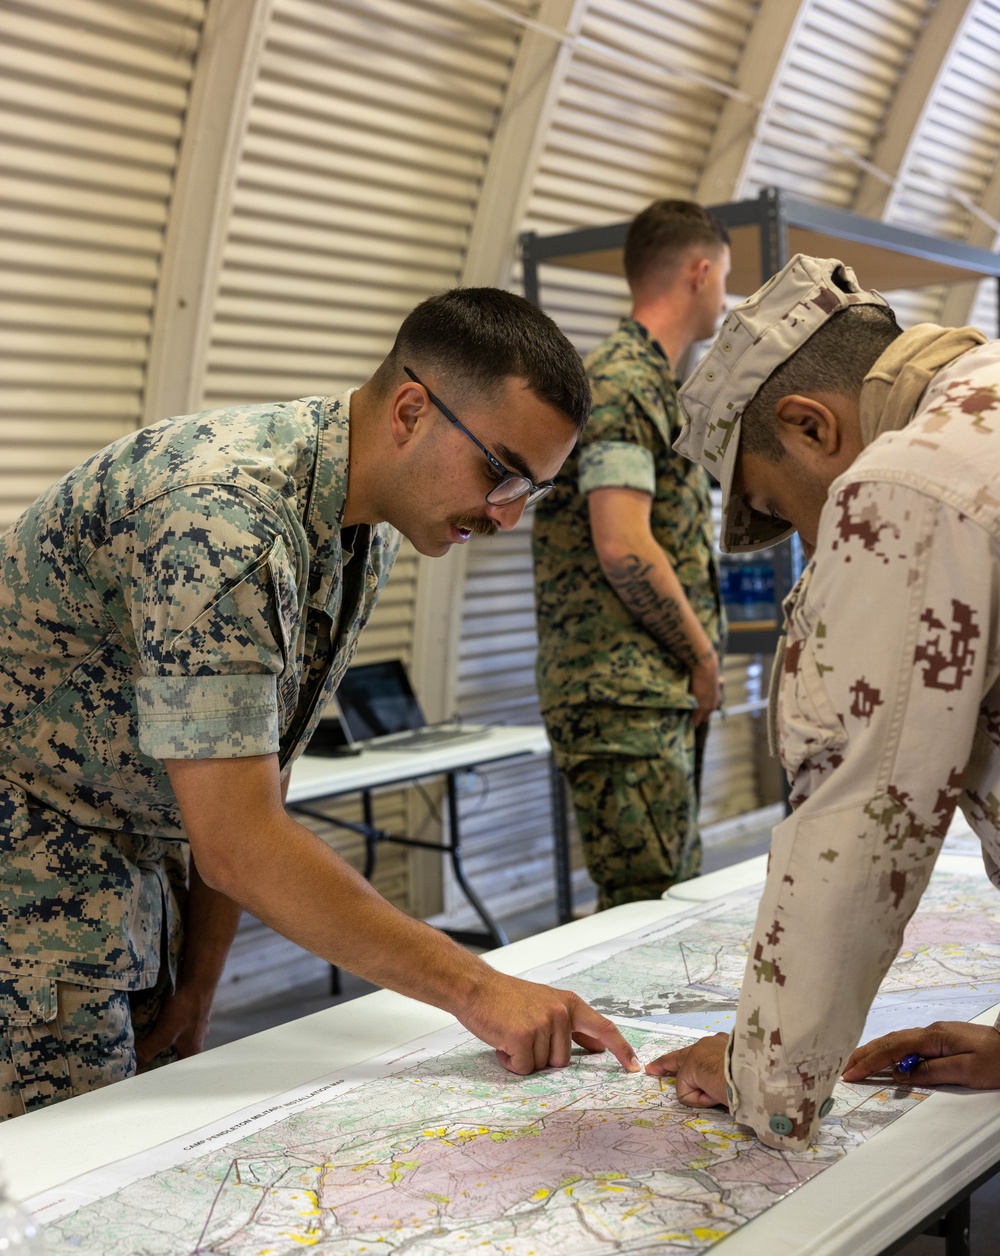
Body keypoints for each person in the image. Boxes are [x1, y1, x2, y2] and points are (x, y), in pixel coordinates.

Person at [0, 288, 640, 1120]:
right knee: (59, 1177)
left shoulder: (357, 530)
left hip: (127, 856)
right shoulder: (225, 521)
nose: (508, 515)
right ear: (411, 409)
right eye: (501, 471)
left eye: (534, 491)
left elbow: (259, 781)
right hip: (32, 859)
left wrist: (196, 984)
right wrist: (478, 987)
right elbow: (239, 841)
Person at [643, 253, 1000, 1146]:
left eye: (783, 505)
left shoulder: (911, 482)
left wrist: (762, 1076)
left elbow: (866, 817)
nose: (812, 538)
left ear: (810, 425)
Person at [531, 200, 730, 908]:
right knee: (651, 908)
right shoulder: (622, 382)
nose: (723, 297)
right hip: (623, 696)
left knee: (660, 899)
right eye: (724, 280)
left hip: (645, 693)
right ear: (701, 272)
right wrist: (703, 656)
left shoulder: (647, 379)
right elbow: (622, 544)